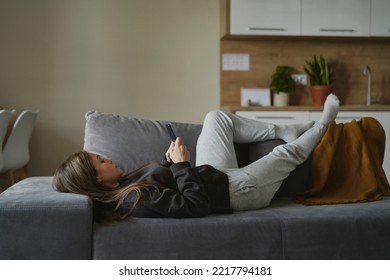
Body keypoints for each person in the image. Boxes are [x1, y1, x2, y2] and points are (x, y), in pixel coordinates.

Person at [53, 94, 340, 222]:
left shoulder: (125, 183)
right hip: (236, 191)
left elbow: (167, 183)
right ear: (96, 180)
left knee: (216, 118)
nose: (108, 159)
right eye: (101, 161)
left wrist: (169, 162)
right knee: (284, 154)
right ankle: (322, 126)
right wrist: (180, 166)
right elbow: (194, 205)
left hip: (213, 173)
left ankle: (284, 129)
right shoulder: (134, 200)